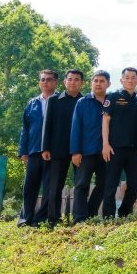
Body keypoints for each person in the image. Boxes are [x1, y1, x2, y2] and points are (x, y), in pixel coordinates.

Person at [101, 67, 137, 219]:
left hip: (134, 151)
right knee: (110, 185)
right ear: (121, 80)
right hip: (114, 149)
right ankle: (108, 216)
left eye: (133, 77)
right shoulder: (112, 97)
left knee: (135, 185)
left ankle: (124, 213)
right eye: (127, 77)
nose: (130, 80)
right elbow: (105, 121)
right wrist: (105, 144)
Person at [42, 69, 83, 225]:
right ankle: (53, 219)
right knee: (54, 186)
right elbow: (47, 125)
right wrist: (45, 148)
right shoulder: (53, 100)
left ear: (82, 83)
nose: (73, 82)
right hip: (57, 149)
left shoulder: (85, 101)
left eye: (76, 79)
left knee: (80, 185)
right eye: (70, 79)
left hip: (79, 150)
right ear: (65, 81)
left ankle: (79, 218)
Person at [18, 69, 58, 226]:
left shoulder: (60, 101)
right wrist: (23, 151)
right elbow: (25, 129)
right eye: (42, 79)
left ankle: (41, 219)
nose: (45, 82)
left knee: (49, 188)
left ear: (55, 82)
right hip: (33, 151)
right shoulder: (32, 103)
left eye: (49, 79)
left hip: (54, 152)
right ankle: (25, 219)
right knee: (29, 186)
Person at [70, 70, 110, 223]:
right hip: (85, 152)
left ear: (108, 84)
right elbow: (76, 128)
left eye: (102, 81)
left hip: (105, 152)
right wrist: (75, 152)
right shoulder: (82, 102)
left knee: (104, 185)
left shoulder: (111, 102)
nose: (98, 84)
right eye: (96, 81)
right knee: (81, 185)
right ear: (91, 83)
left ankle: (90, 215)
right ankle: (79, 218)